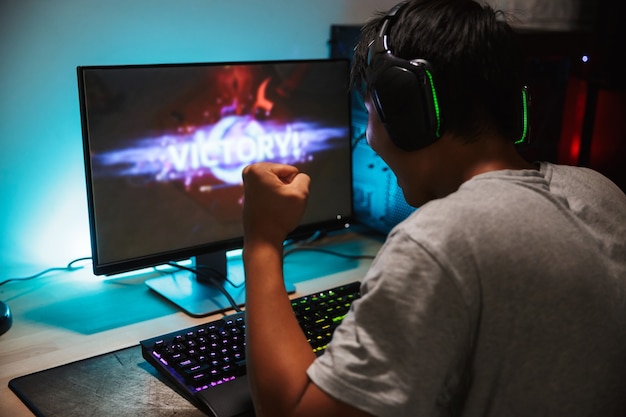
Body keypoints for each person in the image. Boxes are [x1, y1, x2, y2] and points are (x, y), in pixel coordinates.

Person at [241, 0, 626, 416]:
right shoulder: (601, 192)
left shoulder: (441, 239)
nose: (368, 135)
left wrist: (262, 240)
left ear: (406, 108)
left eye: (370, 111)